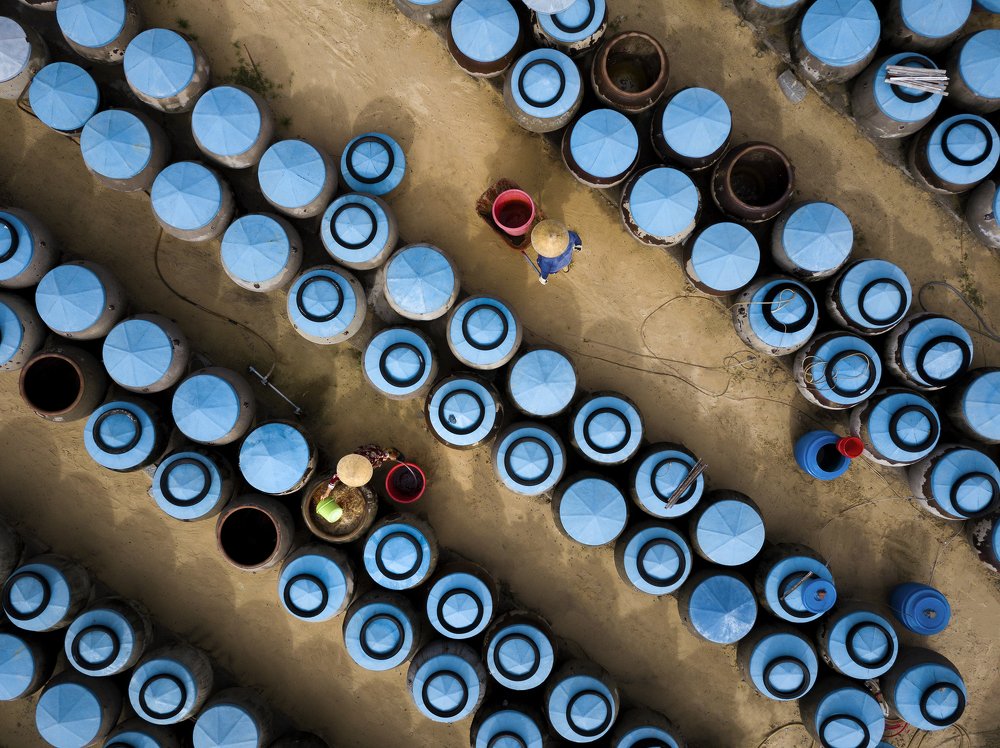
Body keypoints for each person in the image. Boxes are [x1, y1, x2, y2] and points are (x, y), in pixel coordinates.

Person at [315, 445, 401, 523]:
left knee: (381, 457)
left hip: (372, 454)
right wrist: (327, 493)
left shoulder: (372, 457)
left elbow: (380, 454)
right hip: (358, 456)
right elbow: (334, 479)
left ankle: (389, 450)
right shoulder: (345, 470)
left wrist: (390, 456)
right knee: (375, 458)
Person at [532, 219, 582, 285]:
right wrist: (578, 244)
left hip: (555, 267)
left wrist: (543, 278)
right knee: (565, 265)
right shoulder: (569, 236)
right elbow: (575, 236)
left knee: (555, 267)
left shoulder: (545, 260)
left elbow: (545, 271)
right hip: (566, 260)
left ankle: (565, 269)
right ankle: (566, 270)